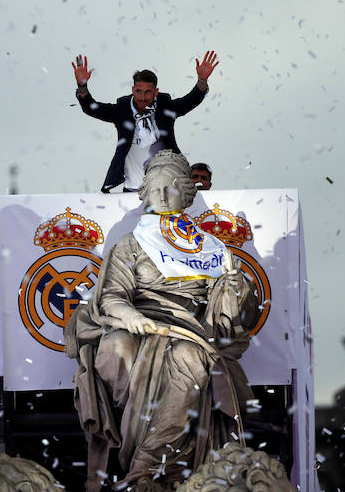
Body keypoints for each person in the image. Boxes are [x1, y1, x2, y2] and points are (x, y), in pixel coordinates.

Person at [65, 150, 259, 492]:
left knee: (188, 357)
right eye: (154, 189)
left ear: (185, 194)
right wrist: (134, 317)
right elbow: (111, 295)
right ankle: (138, 453)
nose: (162, 195)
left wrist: (234, 288)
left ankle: (145, 467)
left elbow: (234, 315)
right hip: (136, 325)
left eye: (169, 188)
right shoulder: (130, 245)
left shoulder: (212, 248)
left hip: (192, 331)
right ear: (145, 194)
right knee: (115, 347)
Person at [71, 51, 218, 193]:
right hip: (132, 189)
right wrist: (82, 87)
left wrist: (202, 80)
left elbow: (190, 101)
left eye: (148, 92)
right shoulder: (122, 111)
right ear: (133, 90)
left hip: (165, 190)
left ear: (156, 92)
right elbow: (93, 109)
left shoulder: (165, 108)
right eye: (139, 91)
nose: (142, 97)